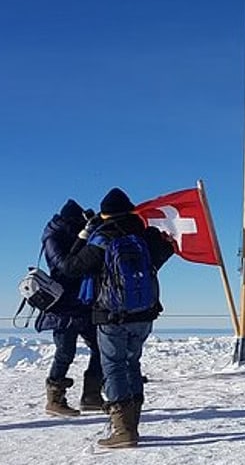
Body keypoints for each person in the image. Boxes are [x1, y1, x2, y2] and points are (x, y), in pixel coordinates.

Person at [59, 187, 174, 448]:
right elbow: (164, 253)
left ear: (105, 214)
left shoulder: (101, 239)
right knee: (133, 364)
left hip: (110, 315)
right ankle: (131, 425)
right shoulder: (144, 236)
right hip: (144, 314)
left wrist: (84, 234)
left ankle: (122, 430)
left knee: (113, 368)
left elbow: (69, 267)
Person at [36, 199, 104, 416]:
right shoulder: (53, 236)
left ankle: (91, 396)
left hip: (84, 301)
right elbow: (66, 267)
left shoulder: (70, 232)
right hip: (63, 305)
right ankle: (54, 399)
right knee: (65, 352)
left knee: (101, 348)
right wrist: (84, 237)